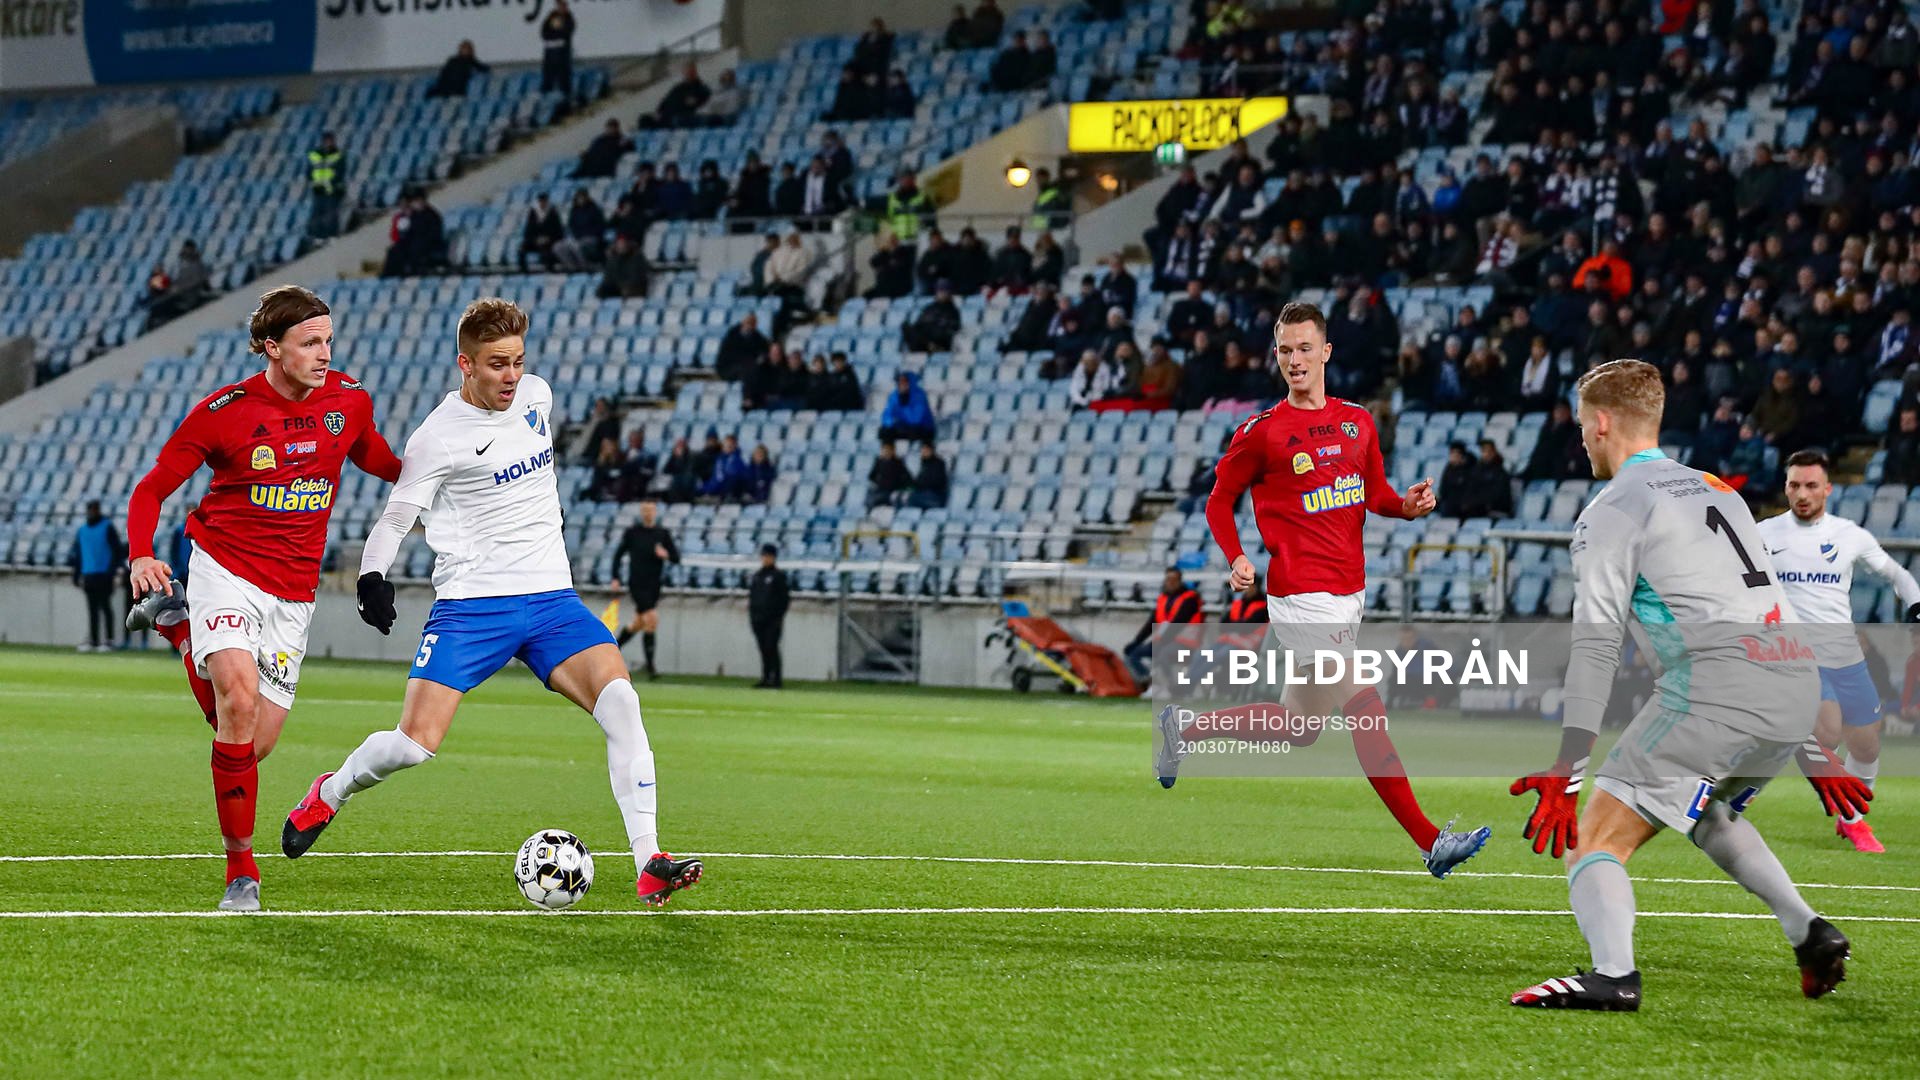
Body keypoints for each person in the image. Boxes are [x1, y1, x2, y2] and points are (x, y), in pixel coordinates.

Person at [280, 299, 701, 907]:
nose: (511, 376)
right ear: (465, 365)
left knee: (623, 706)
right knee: (414, 744)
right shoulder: (436, 438)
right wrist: (373, 575)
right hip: (474, 606)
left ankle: (649, 860)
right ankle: (331, 790)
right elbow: (397, 516)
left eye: (518, 362)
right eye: (497, 364)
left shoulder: (538, 397)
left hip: (553, 599)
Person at [1509, 359, 1849, 1011]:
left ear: (1602, 422)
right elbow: (1769, 610)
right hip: (1791, 680)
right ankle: (1808, 930)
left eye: (1584, 426)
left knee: (1593, 838)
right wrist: (1809, 744)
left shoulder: (1613, 509)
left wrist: (1569, 767)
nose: (1583, 439)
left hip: (1718, 689)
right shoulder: (1719, 491)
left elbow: (1596, 644)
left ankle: (1612, 976)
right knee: (1707, 811)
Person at [1169, 301, 1491, 881]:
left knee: (1301, 727)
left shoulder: (1357, 422)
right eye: (1285, 350)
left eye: (1303, 348)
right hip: (1299, 596)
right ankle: (1429, 841)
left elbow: (1374, 494)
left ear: (1326, 352)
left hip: (1347, 594)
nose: (1294, 360)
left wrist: (1407, 507)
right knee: (1365, 707)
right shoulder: (1262, 433)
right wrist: (1237, 555)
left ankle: (1185, 729)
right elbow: (1219, 499)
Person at [121, 286, 404, 912]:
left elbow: (378, 457)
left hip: (293, 592)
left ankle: (177, 626)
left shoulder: (350, 401)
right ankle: (240, 873)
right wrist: (142, 551)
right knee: (239, 702)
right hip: (224, 567)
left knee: (252, 741)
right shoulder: (224, 412)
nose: (324, 353)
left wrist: (437, 475)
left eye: (328, 340)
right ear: (272, 348)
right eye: (310, 343)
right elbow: (152, 487)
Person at [1756, 448, 1920, 854]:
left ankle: (1852, 818)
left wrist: (1916, 605)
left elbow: (1896, 573)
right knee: (1826, 732)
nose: (1802, 493)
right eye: (1795, 485)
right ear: (1786, 487)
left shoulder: (1851, 536)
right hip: (1795, 655)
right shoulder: (1763, 535)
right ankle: (1854, 821)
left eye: (1811, 485)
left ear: (1828, 489)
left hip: (1846, 656)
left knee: (1867, 745)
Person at [611, 500, 680, 679]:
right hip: (637, 583)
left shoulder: (662, 534)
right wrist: (615, 576)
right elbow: (618, 555)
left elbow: (676, 557)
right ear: (641, 512)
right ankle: (651, 668)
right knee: (652, 619)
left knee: (638, 624)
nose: (647, 513)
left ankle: (612, 649)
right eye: (645, 510)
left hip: (654, 585)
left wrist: (666, 555)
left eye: (650, 510)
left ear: (655, 512)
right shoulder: (633, 533)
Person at [1125, 567, 1202, 684]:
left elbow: (1178, 623)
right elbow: (1150, 624)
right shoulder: (1162, 599)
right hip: (1164, 641)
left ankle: (1172, 686)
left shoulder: (1190, 598)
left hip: (1185, 644)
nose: (1170, 583)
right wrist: (1136, 641)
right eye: (1168, 579)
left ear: (1180, 581)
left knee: (1163, 654)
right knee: (1132, 654)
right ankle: (1150, 681)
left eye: (1174, 580)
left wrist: (1162, 642)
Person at [70, 500, 123, 652]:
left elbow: (116, 551)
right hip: (89, 574)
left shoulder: (107, 527)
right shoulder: (82, 530)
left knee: (105, 607)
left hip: (104, 574)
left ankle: (109, 639)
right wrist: (76, 574)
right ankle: (94, 639)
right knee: (92, 609)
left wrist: (112, 572)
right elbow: (79, 554)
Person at [748, 543, 789, 688]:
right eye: (763, 556)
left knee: (772, 647)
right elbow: (752, 598)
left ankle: (776, 679)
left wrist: (777, 617)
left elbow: (784, 599)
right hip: (758, 620)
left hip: (773, 621)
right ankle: (765, 677)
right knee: (763, 649)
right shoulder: (757, 576)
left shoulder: (778, 576)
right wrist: (752, 617)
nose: (765, 559)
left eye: (768, 556)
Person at [643, 63, 710, 128]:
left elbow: (697, 102)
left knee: (677, 119)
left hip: (682, 117)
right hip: (667, 117)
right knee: (645, 119)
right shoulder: (678, 87)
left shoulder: (701, 88)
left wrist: (694, 101)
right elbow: (666, 101)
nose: (688, 74)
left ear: (695, 72)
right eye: (686, 72)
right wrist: (658, 112)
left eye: (690, 72)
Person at [902, 281, 961, 352]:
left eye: (944, 290)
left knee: (933, 331)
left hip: (939, 340)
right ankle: (927, 345)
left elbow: (953, 329)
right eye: (939, 290)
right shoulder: (929, 307)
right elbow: (919, 323)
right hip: (924, 338)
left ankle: (933, 346)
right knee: (906, 326)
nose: (941, 293)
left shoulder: (953, 310)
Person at [307, 132, 345, 239]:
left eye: (330, 141)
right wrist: (312, 180)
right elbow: (309, 170)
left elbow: (341, 172)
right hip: (318, 188)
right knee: (316, 213)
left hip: (331, 189)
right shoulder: (315, 154)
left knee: (331, 214)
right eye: (326, 141)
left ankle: (332, 234)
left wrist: (334, 183)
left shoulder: (338, 154)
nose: (328, 143)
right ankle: (317, 236)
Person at [879, 372, 935, 443]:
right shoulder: (894, 395)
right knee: (884, 431)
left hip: (921, 427)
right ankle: (889, 452)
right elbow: (887, 415)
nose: (902, 385)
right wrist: (892, 422)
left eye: (905, 382)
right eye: (900, 382)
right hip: (902, 426)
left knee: (915, 431)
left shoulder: (919, 395)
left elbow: (917, 418)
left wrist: (900, 420)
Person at [539, 0, 576, 98]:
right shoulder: (551, 17)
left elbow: (566, 32)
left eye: (563, 6)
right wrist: (554, 35)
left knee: (563, 75)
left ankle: (565, 95)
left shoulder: (568, 18)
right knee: (548, 75)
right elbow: (544, 32)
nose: (561, 8)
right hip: (550, 51)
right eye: (559, 5)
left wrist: (556, 35)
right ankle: (546, 94)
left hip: (563, 52)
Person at [597, 232, 650, 299]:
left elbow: (637, 277)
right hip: (618, 286)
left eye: (624, 243)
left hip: (634, 287)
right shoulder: (613, 259)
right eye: (620, 244)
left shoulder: (637, 258)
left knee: (627, 290)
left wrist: (624, 285)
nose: (622, 246)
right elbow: (608, 278)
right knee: (602, 291)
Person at [518, 193, 564, 273]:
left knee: (547, 250)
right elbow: (528, 231)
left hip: (549, 240)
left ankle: (550, 269)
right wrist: (535, 239)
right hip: (535, 240)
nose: (542, 203)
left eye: (544, 201)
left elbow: (558, 231)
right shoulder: (533, 213)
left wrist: (547, 238)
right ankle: (523, 270)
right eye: (540, 201)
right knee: (521, 248)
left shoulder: (553, 213)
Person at [867, 441, 913, 508]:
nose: (886, 452)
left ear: (893, 451)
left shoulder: (898, 463)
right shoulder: (879, 461)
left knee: (876, 500)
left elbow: (908, 478)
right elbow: (871, 476)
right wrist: (878, 482)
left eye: (888, 449)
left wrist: (898, 486)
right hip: (880, 489)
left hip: (891, 491)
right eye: (884, 449)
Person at [909, 441, 949, 509]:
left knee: (911, 499)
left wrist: (920, 484)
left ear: (932, 450)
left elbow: (937, 483)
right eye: (922, 449)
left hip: (936, 496)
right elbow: (919, 480)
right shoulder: (924, 463)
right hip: (924, 493)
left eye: (926, 449)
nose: (924, 451)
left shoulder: (939, 463)